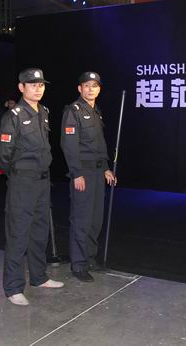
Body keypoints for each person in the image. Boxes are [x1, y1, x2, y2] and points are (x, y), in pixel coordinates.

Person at [0, 68, 64, 306]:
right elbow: (3, 156)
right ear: (21, 87)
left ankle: (39, 277)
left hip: (42, 182)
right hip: (22, 182)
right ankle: (13, 287)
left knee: (39, 231)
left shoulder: (43, 112)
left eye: (41, 85)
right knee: (18, 234)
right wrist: (18, 174)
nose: (38, 88)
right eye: (32, 84)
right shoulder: (13, 116)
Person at [60, 71, 116, 282]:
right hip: (82, 172)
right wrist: (76, 173)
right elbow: (69, 145)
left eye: (95, 86)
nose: (91, 89)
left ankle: (90, 258)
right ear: (79, 88)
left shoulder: (96, 112)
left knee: (95, 219)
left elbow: (99, 144)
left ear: (99, 89)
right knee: (81, 219)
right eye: (87, 85)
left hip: (97, 172)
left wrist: (105, 168)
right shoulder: (73, 111)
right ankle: (78, 264)